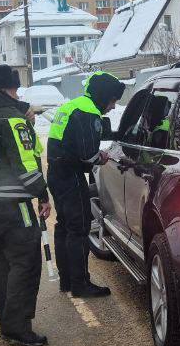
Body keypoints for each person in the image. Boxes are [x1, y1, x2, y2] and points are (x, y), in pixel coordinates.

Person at [0, 65, 52, 346]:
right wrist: (42, 194)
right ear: (3, 89)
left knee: (3, 261)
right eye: (14, 88)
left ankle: (7, 322)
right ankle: (18, 327)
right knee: (26, 262)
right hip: (13, 202)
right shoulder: (9, 119)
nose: (18, 93)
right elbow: (26, 164)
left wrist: (22, 116)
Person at [47, 71, 126, 297]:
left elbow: (73, 140)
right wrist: (100, 157)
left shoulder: (72, 106)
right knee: (79, 229)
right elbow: (86, 154)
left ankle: (68, 281)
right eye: (112, 101)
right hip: (71, 176)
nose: (112, 107)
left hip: (56, 173)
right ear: (103, 96)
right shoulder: (89, 112)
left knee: (64, 227)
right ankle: (81, 284)